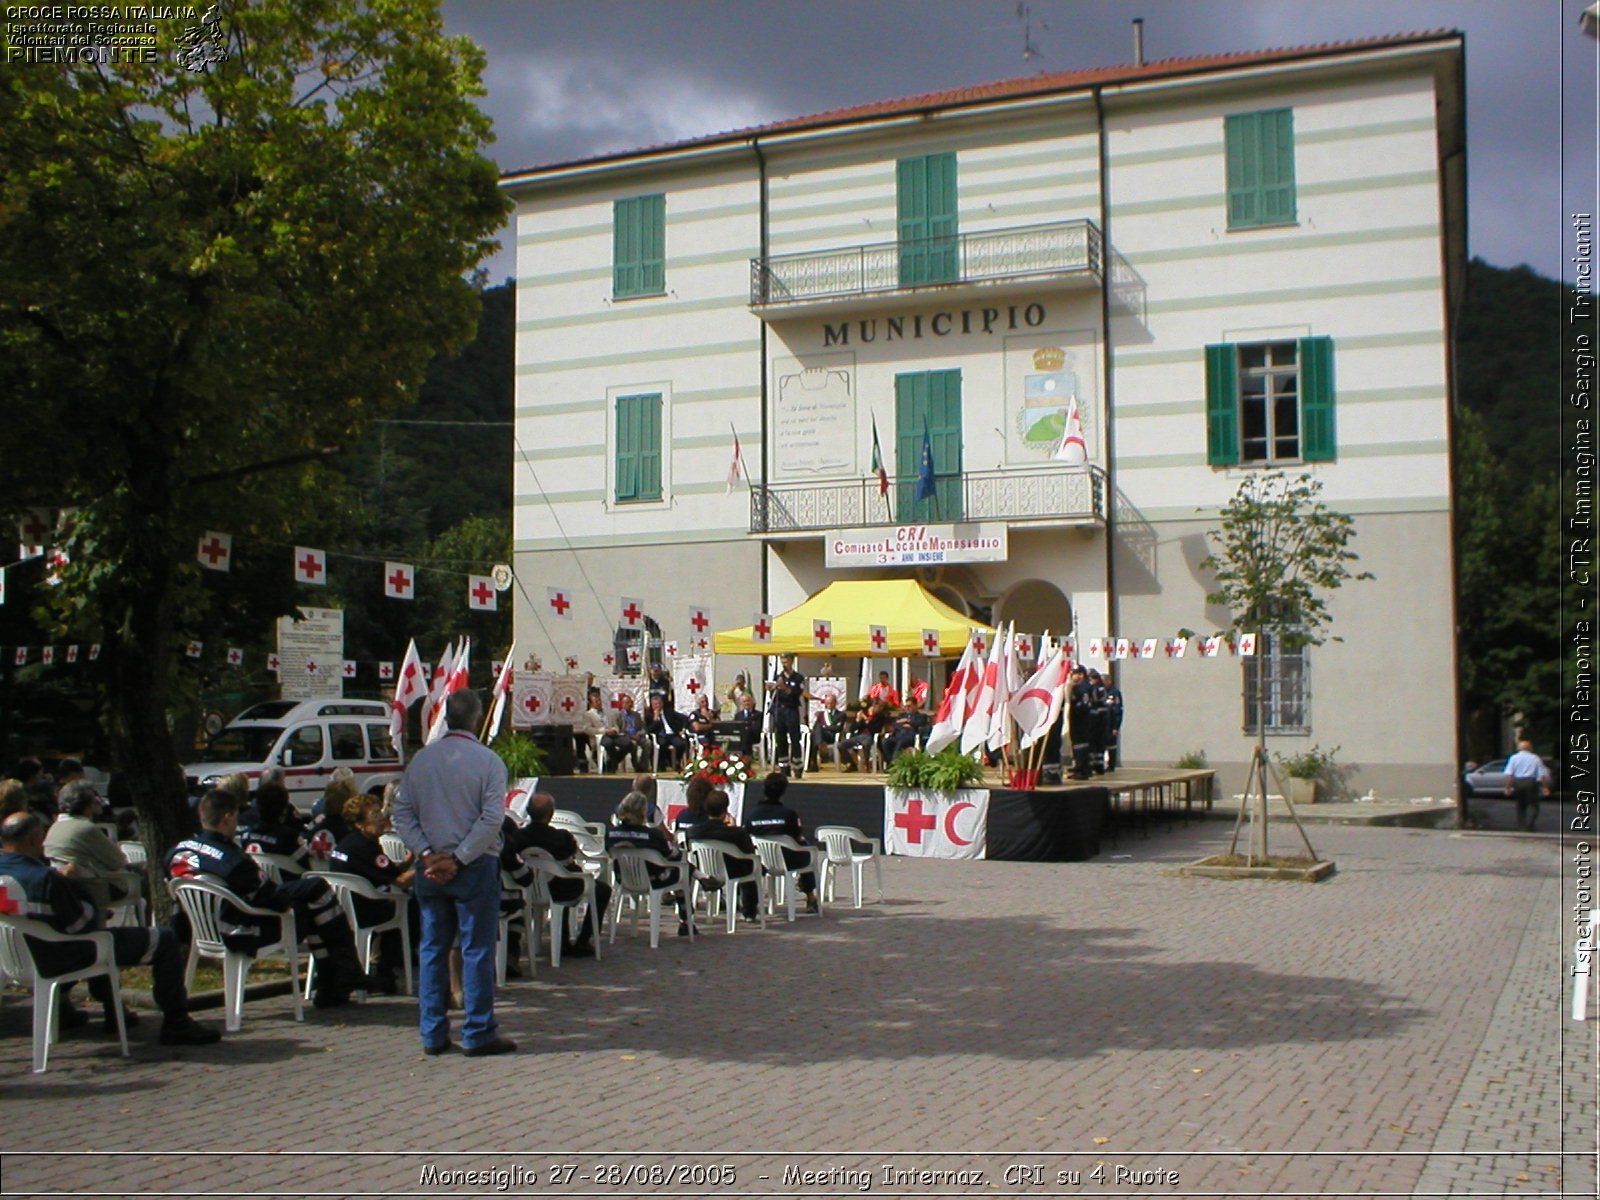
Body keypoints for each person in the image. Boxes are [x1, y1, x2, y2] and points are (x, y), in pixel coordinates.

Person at [0, 811, 220, 1046]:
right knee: (162, 939)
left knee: (101, 942)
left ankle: (111, 1012)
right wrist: (74, 887)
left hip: (17, 961)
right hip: (60, 956)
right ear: (34, 839)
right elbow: (81, 923)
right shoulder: (43, 879)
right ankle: (177, 1021)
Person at [166, 789, 375, 1008]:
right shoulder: (232, 860)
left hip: (200, 929)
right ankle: (341, 974)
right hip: (240, 932)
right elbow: (273, 899)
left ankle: (334, 980)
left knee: (314, 897)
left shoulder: (175, 851)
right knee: (315, 900)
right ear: (227, 818)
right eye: (236, 817)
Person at [391, 689, 514, 1057]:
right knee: (475, 950)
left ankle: (432, 1031)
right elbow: (492, 818)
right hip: (471, 865)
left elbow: (402, 814)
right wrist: (457, 858)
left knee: (432, 949)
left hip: (433, 867)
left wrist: (428, 854)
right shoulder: (488, 762)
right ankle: (477, 1031)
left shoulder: (421, 761)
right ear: (477, 719)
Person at [329, 795, 416, 993]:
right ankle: (385, 968)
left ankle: (383, 967)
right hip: (363, 911)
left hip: (341, 910)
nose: (381, 818)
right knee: (410, 907)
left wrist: (409, 860)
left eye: (381, 812)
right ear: (360, 823)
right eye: (375, 814)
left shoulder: (349, 843)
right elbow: (400, 880)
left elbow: (390, 872)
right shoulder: (367, 847)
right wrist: (427, 865)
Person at [508, 792, 612, 957]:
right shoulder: (561, 837)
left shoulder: (517, 837)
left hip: (526, 890)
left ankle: (563, 941)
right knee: (601, 889)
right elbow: (571, 855)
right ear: (550, 814)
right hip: (560, 890)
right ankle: (584, 940)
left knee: (560, 880)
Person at [42, 780, 140, 916]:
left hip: (67, 885)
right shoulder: (85, 828)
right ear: (88, 806)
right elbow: (117, 862)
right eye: (95, 801)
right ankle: (148, 923)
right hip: (91, 885)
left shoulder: (54, 827)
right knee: (143, 878)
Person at [606, 789, 694, 936]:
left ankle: (700, 876)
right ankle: (686, 920)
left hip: (624, 879)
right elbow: (672, 855)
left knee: (684, 869)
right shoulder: (652, 835)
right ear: (643, 811)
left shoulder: (611, 833)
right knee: (683, 871)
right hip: (655, 880)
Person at [743, 772, 819, 912]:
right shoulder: (788, 814)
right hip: (788, 861)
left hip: (762, 862)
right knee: (808, 848)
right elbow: (797, 837)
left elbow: (747, 837)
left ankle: (749, 906)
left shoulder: (751, 815)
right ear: (783, 792)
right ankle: (810, 896)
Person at [687, 789, 761, 921]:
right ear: (725, 810)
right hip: (732, 871)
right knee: (751, 867)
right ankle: (750, 911)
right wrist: (734, 828)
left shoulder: (693, 832)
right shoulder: (737, 833)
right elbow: (749, 852)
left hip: (704, 869)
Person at [236, 781, 312, 878]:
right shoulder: (289, 838)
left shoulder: (246, 837)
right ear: (284, 808)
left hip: (262, 886)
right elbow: (308, 863)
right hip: (290, 887)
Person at [764, 653, 808, 776]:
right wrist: (771, 688)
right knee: (781, 739)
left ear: (792, 661)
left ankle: (797, 766)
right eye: (783, 661)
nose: (785, 664)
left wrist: (785, 688)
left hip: (791, 709)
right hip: (779, 710)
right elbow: (775, 692)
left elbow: (797, 693)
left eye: (787, 661)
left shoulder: (798, 677)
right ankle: (784, 766)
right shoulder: (778, 676)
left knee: (795, 738)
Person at [1502, 738, 1552, 832]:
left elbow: (1509, 774)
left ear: (1519, 748)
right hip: (1531, 783)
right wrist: (1545, 787)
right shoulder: (1535, 758)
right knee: (1533, 805)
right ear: (1530, 748)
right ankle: (1530, 824)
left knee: (1520, 805)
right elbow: (1541, 775)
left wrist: (1508, 787)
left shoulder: (1514, 758)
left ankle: (1521, 825)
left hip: (1518, 783)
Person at [600, 693, 646, 773]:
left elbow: (643, 728)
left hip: (637, 736)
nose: (629, 704)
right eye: (626, 702)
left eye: (630, 702)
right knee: (631, 744)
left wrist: (639, 733)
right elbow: (618, 730)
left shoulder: (637, 715)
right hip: (625, 737)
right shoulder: (617, 715)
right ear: (622, 704)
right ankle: (635, 765)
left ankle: (642, 765)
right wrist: (631, 736)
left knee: (648, 743)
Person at [645, 696, 691, 771]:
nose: (658, 706)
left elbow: (685, 718)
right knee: (662, 745)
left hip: (672, 735)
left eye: (659, 703)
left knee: (681, 744)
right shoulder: (649, 716)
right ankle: (662, 765)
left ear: (662, 704)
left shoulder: (669, 712)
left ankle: (677, 761)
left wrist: (683, 729)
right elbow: (649, 730)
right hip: (661, 735)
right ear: (652, 706)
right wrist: (655, 719)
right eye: (655, 704)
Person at [882, 696, 930, 765]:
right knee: (886, 742)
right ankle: (889, 762)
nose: (907, 708)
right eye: (906, 706)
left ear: (915, 706)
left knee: (901, 742)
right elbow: (895, 725)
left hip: (910, 736)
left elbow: (920, 723)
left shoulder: (921, 716)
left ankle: (894, 763)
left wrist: (907, 721)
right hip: (898, 735)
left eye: (909, 706)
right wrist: (904, 724)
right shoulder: (901, 715)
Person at [809, 693, 848, 770]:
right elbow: (815, 727)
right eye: (827, 703)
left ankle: (819, 749)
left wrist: (825, 727)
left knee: (817, 732)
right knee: (813, 735)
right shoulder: (821, 715)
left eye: (831, 702)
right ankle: (818, 749)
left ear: (835, 703)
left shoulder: (841, 714)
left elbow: (838, 728)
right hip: (822, 737)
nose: (829, 704)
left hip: (832, 736)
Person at [1068, 666, 1094, 780]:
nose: (1072, 676)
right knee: (1081, 745)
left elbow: (1083, 704)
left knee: (1080, 745)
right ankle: (1084, 768)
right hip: (1082, 719)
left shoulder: (1082, 687)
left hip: (1081, 719)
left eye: (1074, 673)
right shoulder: (1085, 686)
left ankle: (1081, 770)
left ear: (1081, 675)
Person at [574, 690, 606, 772]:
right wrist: (603, 731)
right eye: (596, 701)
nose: (599, 703)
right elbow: (588, 729)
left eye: (599, 701)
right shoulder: (588, 714)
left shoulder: (607, 712)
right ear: (591, 704)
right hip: (597, 738)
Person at [730, 691, 763, 758]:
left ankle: (746, 756)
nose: (746, 703)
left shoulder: (759, 714)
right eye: (744, 701)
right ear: (742, 703)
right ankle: (733, 756)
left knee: (746, 732)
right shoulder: (738, 715)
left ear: (752, 702)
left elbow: (757, 728)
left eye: (748, 701)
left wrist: (746, 728)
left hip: (753, 736)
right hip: (740, 737)